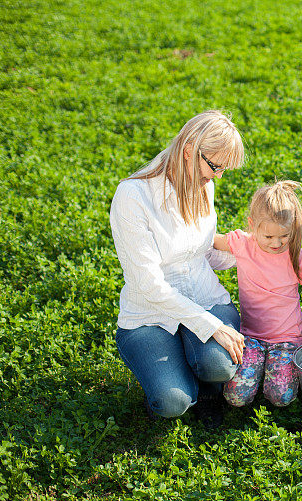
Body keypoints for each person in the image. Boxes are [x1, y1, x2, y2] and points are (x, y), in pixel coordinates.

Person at [110, 109, 245, 429]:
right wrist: (210, 326)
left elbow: (199, 252)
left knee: (219, 366)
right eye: (215, 166)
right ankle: (180, 374)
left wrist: (249, 252)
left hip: (204, 297)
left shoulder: (202, 182)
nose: (218, 177)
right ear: (188, 151)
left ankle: (209, 390)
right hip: (150, 314)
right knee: (173, 401)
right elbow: (149, 285)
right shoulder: (133, 196)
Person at [213, 181, 302, 408]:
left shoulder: (298, 258)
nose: (276, 243)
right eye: (268, 237)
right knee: (236, 397)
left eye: (284, 236)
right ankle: (260, 372)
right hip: (251, 337)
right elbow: (207, 239)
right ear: (252, 225)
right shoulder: (242, 244)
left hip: (287, 339)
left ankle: (275, 374)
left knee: (281, 397)